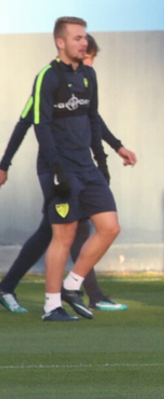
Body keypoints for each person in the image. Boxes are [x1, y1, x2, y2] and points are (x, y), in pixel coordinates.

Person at [0, 35, 135, 314]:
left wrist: (116, 146)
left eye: (90, 58)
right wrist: (5, 164)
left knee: (54, 231)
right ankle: (84, 295)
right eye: (86, 58)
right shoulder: (49, 86)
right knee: (70, 231)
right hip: (58, 170)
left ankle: (9, 287)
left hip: (79, 167)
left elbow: (93, 119)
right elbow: (26, 123)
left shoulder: (82, 84)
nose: (88, 63)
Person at [29, 17, 123, 322]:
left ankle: (72, 286)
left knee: (110, 227)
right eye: (77, 38)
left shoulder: (88, 75)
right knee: (64, 235)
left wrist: (102, 162)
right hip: (58, 166)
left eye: (84, 37)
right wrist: (57, 169)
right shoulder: (48, 76)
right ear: (60, 42)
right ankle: (51, 306)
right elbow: (40, 125)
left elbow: (93, 119)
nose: (84, 43)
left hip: (87, 166)